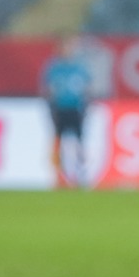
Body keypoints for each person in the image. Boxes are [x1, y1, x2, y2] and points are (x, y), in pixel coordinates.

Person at [42, 38, 98, 188]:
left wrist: (87, 105)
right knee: (58, 142)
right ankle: (59, 177)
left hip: (76, 109)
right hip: (59, 109)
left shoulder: (79, 67)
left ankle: (82, 175)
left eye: (70, 46)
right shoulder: (54, 68)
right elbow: (48, 88)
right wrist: (50, 105)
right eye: (65, 46)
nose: (68, 50)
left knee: (80, 143)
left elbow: (88, 87)